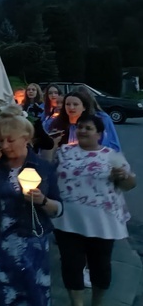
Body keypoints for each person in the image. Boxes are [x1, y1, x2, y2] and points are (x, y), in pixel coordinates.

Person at [0, 105, 62, 306]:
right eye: (0, 140)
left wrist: (43, 201)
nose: (4, 145)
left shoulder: (43, 168)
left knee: (34, 295)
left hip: (31, 245)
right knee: (3, 296)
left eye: (10, 140)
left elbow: (59, 209)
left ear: (26, 138)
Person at [52, 114, 135, 306]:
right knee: (71, 265)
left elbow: (130, 184)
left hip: (102, 223)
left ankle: (97, 302)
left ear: (99, 134)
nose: (82, 131)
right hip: (68, 220)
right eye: (80, 127)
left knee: (100, 267)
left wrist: (123, 176)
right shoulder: (64, 151)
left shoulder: (111, 156)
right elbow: (47, 169)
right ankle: (77, 303)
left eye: (88, 128)